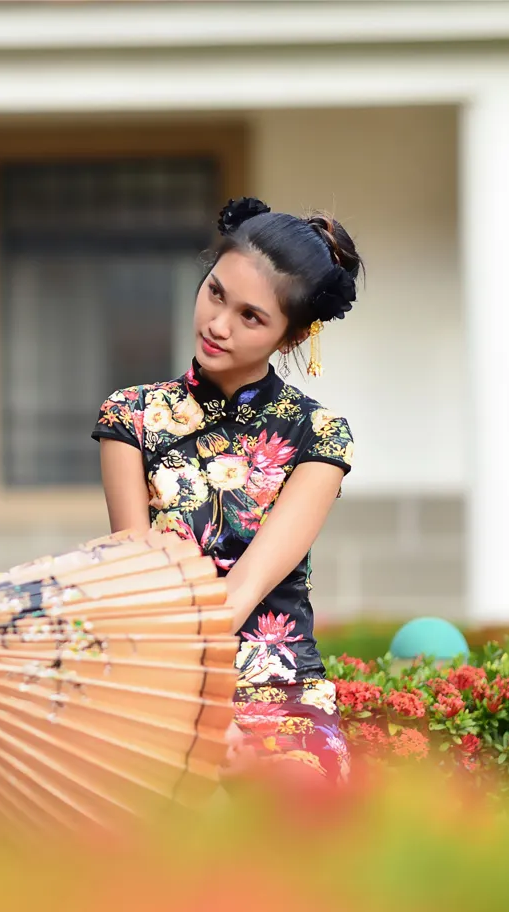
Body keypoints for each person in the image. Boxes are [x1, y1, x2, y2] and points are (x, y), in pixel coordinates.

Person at [91, 196, 361, 785]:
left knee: (297, 791)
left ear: (290, 337)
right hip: (163, 680)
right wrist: (202, 719)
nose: (218, 324)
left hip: (280, 688)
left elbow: (244, 592)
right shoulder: (131, 418)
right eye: (215, 293)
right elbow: (141, 582)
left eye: (251, 316)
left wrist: (229, 731)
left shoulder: (318, 436)